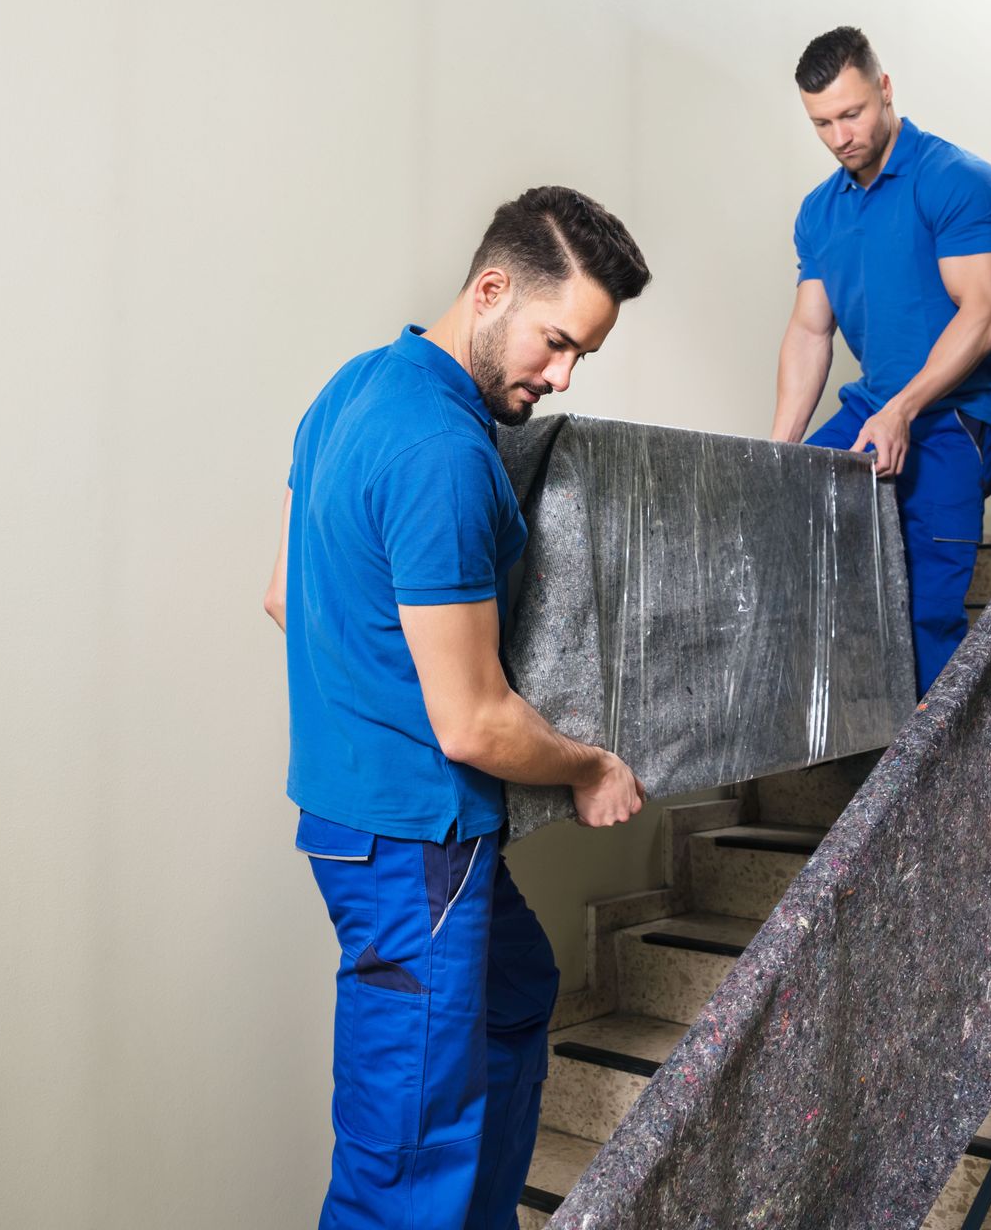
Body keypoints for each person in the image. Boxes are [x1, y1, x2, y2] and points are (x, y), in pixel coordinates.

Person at [263, 185, 652, 1229]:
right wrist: (587, 766)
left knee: (518, 992)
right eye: (556, 341)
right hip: (412, 848)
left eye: (584, 358)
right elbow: (473, 722)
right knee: (404, 1161)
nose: (561, 376)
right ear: (490, 289)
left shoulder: (352, 387)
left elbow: (280, 594)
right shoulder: (443, 449)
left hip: (357, 825)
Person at [769, 26, 991, 699]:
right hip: (874, 402)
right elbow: (809, 331)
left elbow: (984, 315)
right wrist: (777, 452)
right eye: (822, 122)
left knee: (924, 610)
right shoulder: (818, 213)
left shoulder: (956, 180)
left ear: (884, 90)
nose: (840, 135)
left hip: (953, 412)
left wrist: (903, 409)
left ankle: (938, 787)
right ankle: (861, 752)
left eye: (851, 113)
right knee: (784, 524)